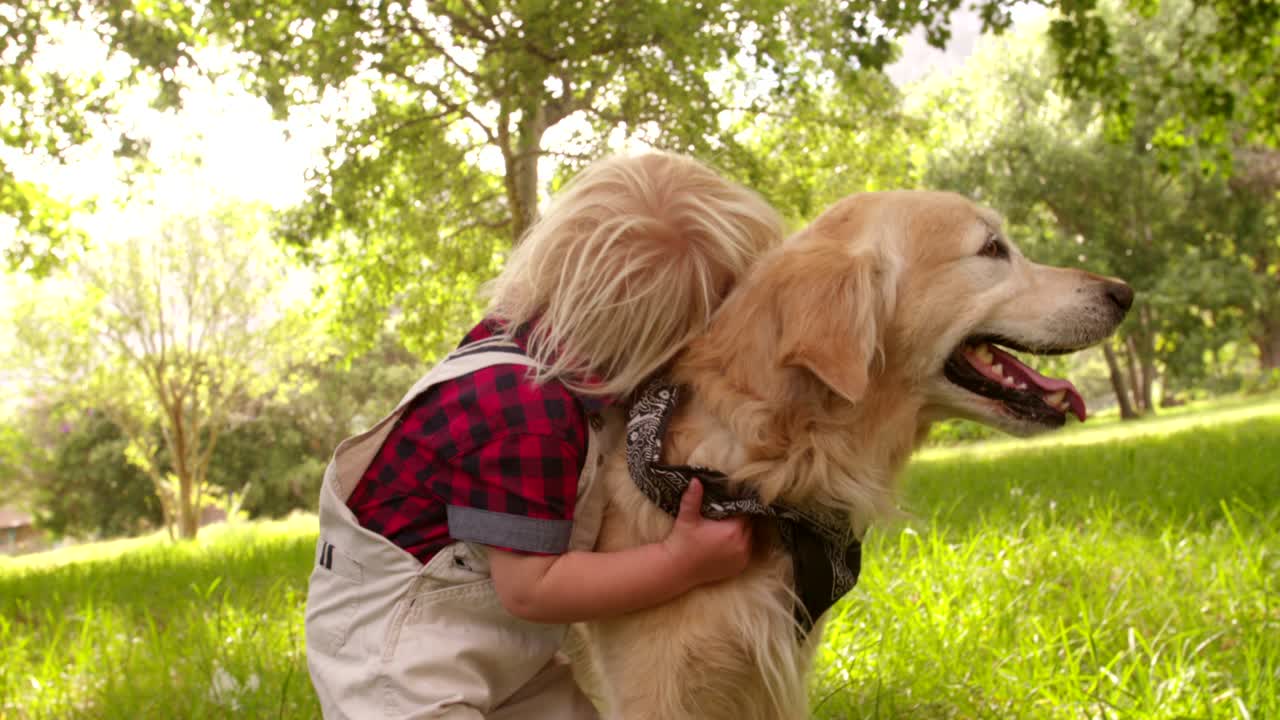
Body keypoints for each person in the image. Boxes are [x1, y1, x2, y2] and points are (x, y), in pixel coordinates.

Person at [305, 151, 784, 719]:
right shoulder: (526, 416)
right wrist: (681, 562)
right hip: (400, 659)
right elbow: (533, 589)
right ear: (657, 346)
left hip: (500, 648)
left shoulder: (559, 364)